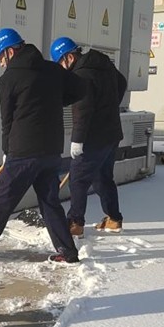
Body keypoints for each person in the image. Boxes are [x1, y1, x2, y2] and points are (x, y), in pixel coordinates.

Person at [0, 28, 84, 264]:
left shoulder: (8, 80)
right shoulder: (53, 70)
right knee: (50, 203)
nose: (1, 63)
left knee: (3, 201)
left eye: (1, 58)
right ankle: (68, 251)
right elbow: (79, 89)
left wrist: (7, 150)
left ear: (10, 51)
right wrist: (55, 100)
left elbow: (7, 121)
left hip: (23, 152)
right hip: (51, 150)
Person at [50, 36, 128, 235]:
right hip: (112, 134)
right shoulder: (103, 65)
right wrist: (109, 106)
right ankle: (114, 219)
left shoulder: (81, 76)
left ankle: (75, 223)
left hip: (94, 137)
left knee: (78, 179)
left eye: (60, 63)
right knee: (103, 177)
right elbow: (122, 82)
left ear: (68, 58)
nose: (61, 69)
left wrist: (77, 140)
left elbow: (82, 111)